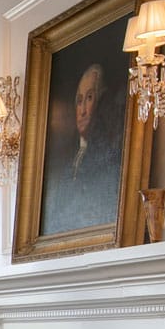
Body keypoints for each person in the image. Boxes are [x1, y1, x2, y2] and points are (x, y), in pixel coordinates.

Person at [40, 59, 123, 235]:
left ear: (101, 100)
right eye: (79, 101)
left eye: (90, 98)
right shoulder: (67, 163)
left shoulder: (110, 156)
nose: (83, 110)